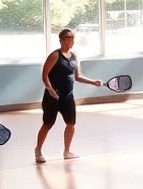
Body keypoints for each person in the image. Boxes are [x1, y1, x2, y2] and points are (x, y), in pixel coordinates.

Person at [35, 28, 103, 163]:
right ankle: (38, 151)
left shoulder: (74, 56)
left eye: (73, 37)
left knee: (70, 123)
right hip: (52, 97)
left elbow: (78, 77)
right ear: (61, 40)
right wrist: (50, 89)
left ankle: (67, 151)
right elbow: (44, 75)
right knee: (48, 124)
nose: (72, 40)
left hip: (68, 96)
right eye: (69, 37)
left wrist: (93, 82)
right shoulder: (55, 55)